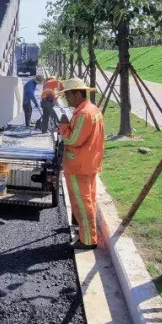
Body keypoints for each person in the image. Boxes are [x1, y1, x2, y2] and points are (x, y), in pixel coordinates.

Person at [56, 78, 104, 250]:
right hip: (87, 163)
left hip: (79, 166)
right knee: (88, 201)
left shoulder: (84, 114)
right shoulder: (91, 110)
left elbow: (73, 139)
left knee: (82, 204)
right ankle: (84, 230)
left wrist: (62, 126)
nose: (67, 99)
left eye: (68, 95)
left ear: (77, 93)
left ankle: (88, 240)